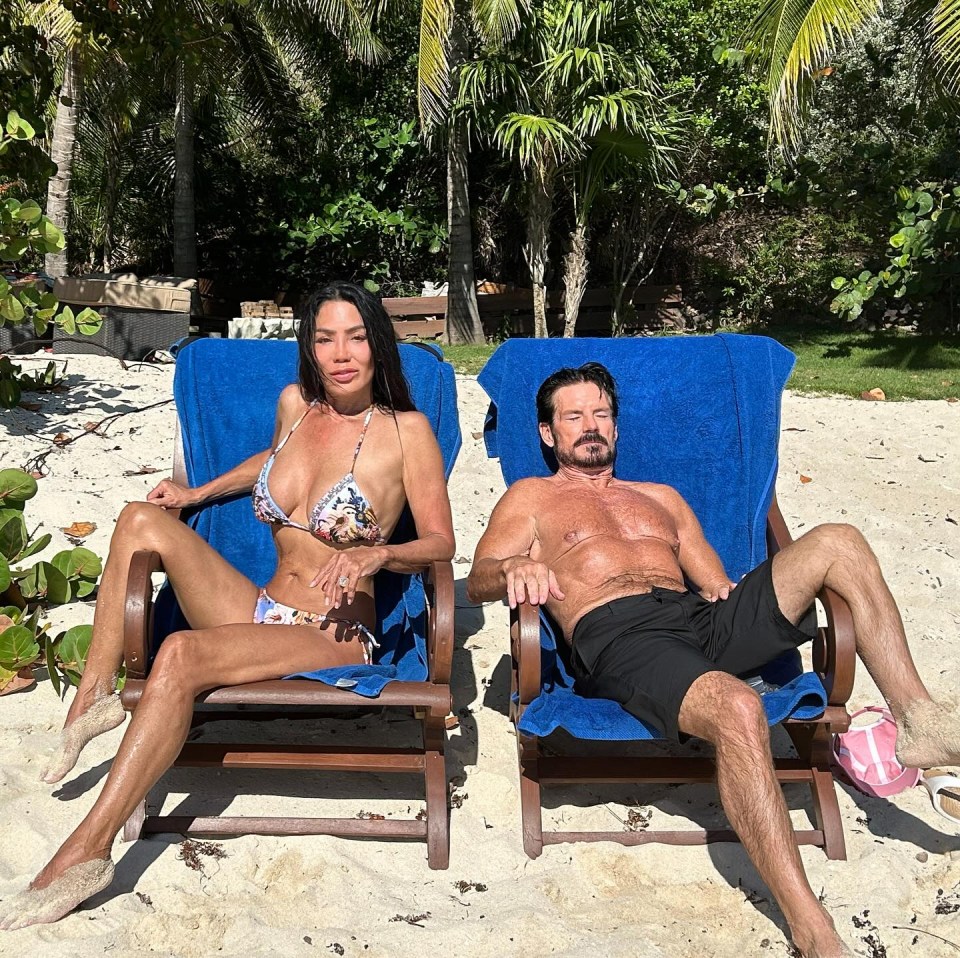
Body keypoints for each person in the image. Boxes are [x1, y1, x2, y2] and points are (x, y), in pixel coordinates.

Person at [466, 361, 960, 958]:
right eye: (574, 417)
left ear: (616, 429)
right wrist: (512, 568)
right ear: (549, 435)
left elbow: (714, 584)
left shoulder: (661, 498)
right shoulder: (533, 497)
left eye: (601, 414)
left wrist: (743, 599)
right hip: (622, 636)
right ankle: (810, 926)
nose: (591, 426)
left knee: (838, 542)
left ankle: (920, 726)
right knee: (736, 706)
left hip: (698, 620)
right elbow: (478, 581)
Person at [0, 281, 455, 929]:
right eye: (325, 338)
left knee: (180, 653)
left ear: (378, 342)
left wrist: (378, 555)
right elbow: (273, 461)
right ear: (310, 348)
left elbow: (441, 540)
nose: (341, 353)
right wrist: (194, 493)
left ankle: (85, 852)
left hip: (333, 633)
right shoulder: (295, 404)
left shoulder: (405, 432)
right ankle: (90, 701)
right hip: (262, 606)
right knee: (139, 519)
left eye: (355, 336)